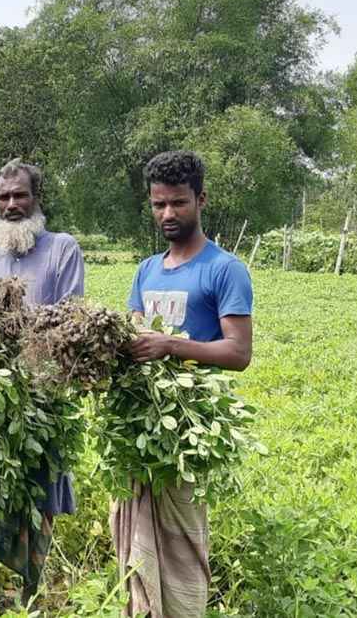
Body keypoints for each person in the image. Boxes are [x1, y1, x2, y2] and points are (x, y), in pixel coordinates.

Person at [115, 150, 253, 617]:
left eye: (178, 203)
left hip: (187, 435)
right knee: (136, 546)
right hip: (138, 431)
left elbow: (238, 352)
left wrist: (171, 346)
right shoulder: (147, 269)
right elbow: (134, 332)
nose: (168, 215)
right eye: (158, 205)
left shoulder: (224, 268)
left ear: (201, 199)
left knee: (182, 549)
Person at [0, 158, 86, 617]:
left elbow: (70, 317)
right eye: (4, 197)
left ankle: (30, 594)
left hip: (41, 396)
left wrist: (22, 339)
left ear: (37, 199)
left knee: (38, 493)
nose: (12, 205)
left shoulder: (62, 249)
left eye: (20, 195)